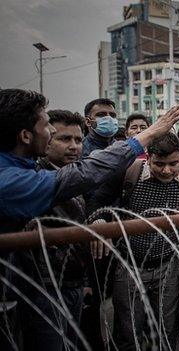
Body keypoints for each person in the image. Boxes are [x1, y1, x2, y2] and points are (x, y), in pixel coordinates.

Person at [0, 89, 179, 349]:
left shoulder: (21, 169)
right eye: (47, 127)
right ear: (25, 136)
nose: (51, 133)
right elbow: (84, 174)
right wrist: (149, 133)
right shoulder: (10, 181)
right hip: (40, 287)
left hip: (65, 280)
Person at [87, 132, 179, 350]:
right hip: (129, 265)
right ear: (148, 157)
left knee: (166, 328)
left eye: (173, 163)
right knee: (128, 330)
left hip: (168, 265)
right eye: (159, 164)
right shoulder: (129, 174)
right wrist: (99, 219)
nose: (167, 170)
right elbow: (97, 201)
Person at [12, 110, 90, 351]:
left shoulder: (73, 175)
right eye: (64, 139)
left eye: (78, 140)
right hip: (45, 285)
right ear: (46, 139)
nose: (74, 146)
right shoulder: (35, 179)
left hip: (72, 281)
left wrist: (85, 280)